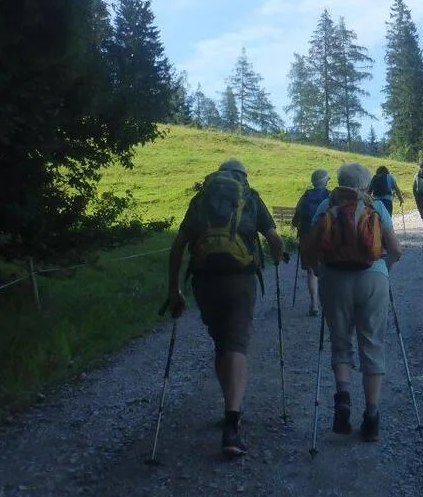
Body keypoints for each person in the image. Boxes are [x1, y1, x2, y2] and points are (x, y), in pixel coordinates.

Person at [165, 158, 285, 458]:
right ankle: (232, 422)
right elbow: (273, 237)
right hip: (240, 279)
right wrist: (278, 257)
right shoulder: (251, 196)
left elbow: (178, 244)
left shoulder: (201, 199)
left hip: (204, 279)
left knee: (222, 343)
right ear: (244, 176)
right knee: (237, 344)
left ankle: (228, 404)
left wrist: (174, 289)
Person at [302, 163, 403, 443]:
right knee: (371, 344)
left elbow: (308, 250)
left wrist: (320, 271)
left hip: (334, 280)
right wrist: (385, 268)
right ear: (365, 183)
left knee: (340, 341)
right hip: (373, 280)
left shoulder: (325, 205)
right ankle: (371, 416)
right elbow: (396, 250)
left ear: (340, 181)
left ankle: (343, 398)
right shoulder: (376, 207)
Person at [292, 169, 331, 316]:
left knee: (311, 271)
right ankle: (328, 301)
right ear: (326, 181)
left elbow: (295, 221)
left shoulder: (305, 196)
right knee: (328, 269)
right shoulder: (330, 196)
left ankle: (314, 304)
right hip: (326, 237)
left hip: (307, 237)